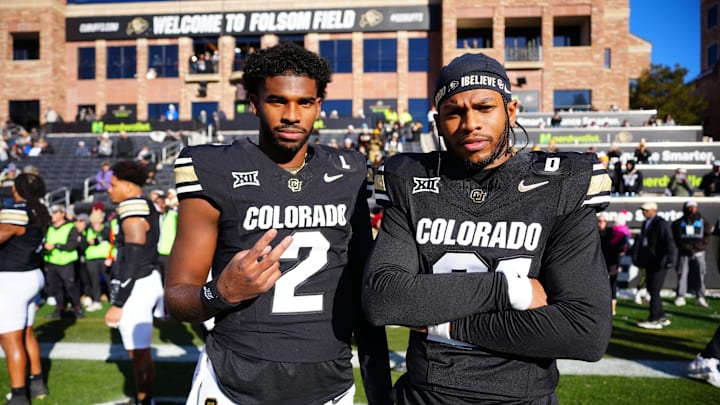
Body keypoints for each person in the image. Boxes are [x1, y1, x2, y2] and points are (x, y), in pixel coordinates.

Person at [363, 52, 612, 404]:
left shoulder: (561, 183)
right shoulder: (411, 179)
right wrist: (511, 291)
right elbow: (384, 299)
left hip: (522, 397)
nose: (470, 123)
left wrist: (445, 326)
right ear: (438, 122)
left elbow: (584, 331)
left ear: (510, 111)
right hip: (426, 394)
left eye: (484, 107)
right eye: (454, 112)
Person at [164, 42, 392, 405]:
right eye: (277, 101)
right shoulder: (215, 168)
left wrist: (380, 389)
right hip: (233, 382)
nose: (291, 114)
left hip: (327, 383)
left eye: (304, 102)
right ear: (253, 103)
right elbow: (176, 297)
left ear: (318, 105)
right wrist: (220, 293)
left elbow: (363, 293)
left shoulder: (347, 171)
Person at [104, 160, 164, 405]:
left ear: (128, 187)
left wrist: (118, 302)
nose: (109, 189)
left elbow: (133, 259)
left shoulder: (133, 209)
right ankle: (144, 398)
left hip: (138, 284)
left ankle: (144, 400)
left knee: (138, 352)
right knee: (138, 351)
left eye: (114, 184)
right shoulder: (141, 204)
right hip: (143, 280)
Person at [0, 173, 50, 405]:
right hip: (31, 275)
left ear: (17, 189)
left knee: (11, 340)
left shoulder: (18, 212)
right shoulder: (39, 209)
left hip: (13, 279)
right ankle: (37, 381)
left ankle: (19, 395)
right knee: (26, 332)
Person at [633, 202, 677, 329]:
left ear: (654, 210)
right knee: (653, 289)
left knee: (654, 289)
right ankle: (661, 316)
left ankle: (655, 319)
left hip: (659, 262)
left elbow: (668, 241)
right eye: (643, 210)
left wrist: (670, 259)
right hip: (650, 262)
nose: (644, 212)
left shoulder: (661, 223)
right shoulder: (646, 223)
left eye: (646, 210)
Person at [44, 204, 83, 320]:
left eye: (56, 213)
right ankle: (59, 308)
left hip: (66, 262)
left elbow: (72, 245)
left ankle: (77, 308)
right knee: (55, 287)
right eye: (52, 213)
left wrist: (56, 245)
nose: (53, 215)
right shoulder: (49, 227)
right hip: (51, 261)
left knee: (70, 286)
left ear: (63, 214)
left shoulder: (70, 227)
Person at [671, 201, 711, 308]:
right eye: (690, 208)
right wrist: (686, 247)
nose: (692, 209)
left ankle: (700, 297)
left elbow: (707, 236)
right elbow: (676, 237)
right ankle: (680, 296)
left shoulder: (703, 221)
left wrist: (698, 247)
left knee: (700, 274)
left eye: (694, 207)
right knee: (682, 274)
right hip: (684, 252)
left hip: (699, 252)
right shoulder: (679, 222)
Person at [597, 212, 630, 316]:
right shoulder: (593, 233)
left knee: (612, 285)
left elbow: (620, 247)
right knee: (598, 286)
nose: (601, 223)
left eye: (604, 221)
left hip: (611, 263)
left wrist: (618, 264)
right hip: (597, 263)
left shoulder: (612, 232)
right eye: (599, 221)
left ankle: (612, 309)